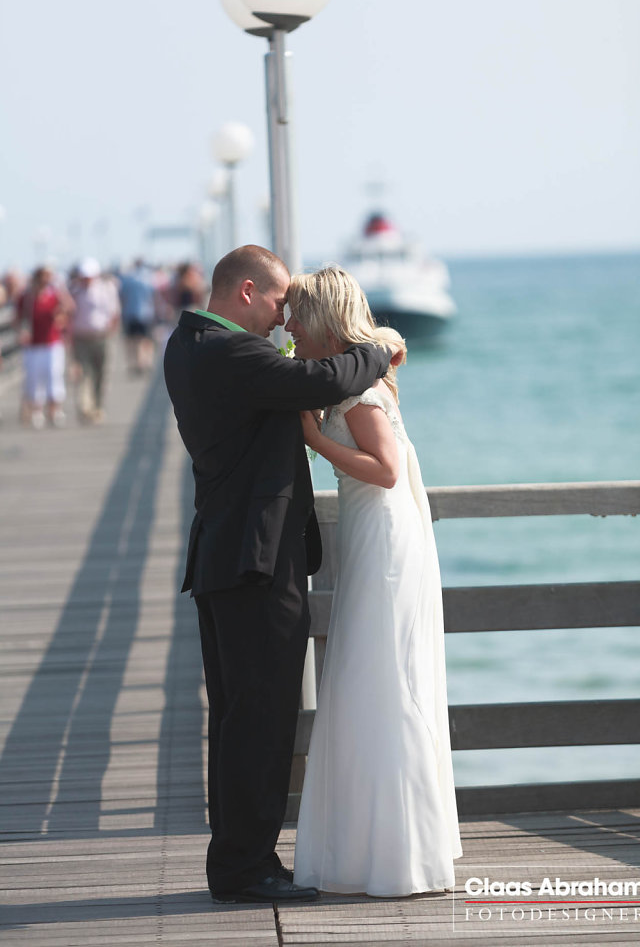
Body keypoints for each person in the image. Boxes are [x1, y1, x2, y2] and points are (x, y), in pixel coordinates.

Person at [163, 245, 395, 905]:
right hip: (254, 562)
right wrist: (380, 347)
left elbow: (297, 376)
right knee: (259, 718)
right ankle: (246, 868)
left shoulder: (191, 346)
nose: (284, 315)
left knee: (240, 719)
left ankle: (241, 859)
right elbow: (326, 382)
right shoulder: (232, 354)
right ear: (244, 291)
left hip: (226, 556)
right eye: (277, 301)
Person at [287, 265, 462, 897]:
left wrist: (314, 438)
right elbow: (385, 340)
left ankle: (392, 851)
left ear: (325, 325)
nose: (288, 330)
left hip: (385, 537)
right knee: (370, 675)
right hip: (371, 536)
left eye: (297, 320)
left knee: (379, 676)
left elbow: (385, 470)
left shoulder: (361, 395)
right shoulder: (364, 373)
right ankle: (376, 845)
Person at [15, 265, 74, 429]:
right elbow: (17, 318)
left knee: (54, 375)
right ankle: (37, 411)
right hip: (33, 344)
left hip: (52, 343)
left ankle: (54, 410)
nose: (44, 282)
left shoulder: (54, 295)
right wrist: (21, 332)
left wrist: (61, 289)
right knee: (34, 377)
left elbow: (69, 308)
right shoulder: (26, 298)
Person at [70, 257, 120, 424]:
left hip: (102, 337)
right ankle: (85, 407)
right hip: (81, 338)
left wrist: (110, 332)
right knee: (84, 374)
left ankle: (98, 406)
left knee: (101, 374)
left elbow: (114, 313)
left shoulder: (106, 289)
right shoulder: (74, 291)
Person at [118, 258, 156, 374]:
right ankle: (146, 361)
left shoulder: (127, 279)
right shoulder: (148, 278)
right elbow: (153, 296)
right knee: (146, 339)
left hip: (130, 313)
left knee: (132, 340)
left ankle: (135, 362)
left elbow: (121, 296)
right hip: (146, 313)